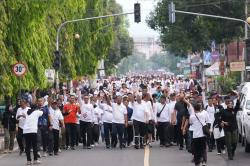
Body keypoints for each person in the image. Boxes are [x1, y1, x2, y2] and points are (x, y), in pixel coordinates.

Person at [220, 95, 240, 160]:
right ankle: (230, 155)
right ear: (227, 104)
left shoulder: (234, 110)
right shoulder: (223, 111)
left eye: (231, 103)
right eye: (229, 103)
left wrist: (238, 98)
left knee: (235, 142)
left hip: (234, 128)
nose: (230, 104)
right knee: (228, 143)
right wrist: (223, 122)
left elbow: (238, 105)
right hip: (227, 128)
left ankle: (232, 151)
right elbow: (220, 119)